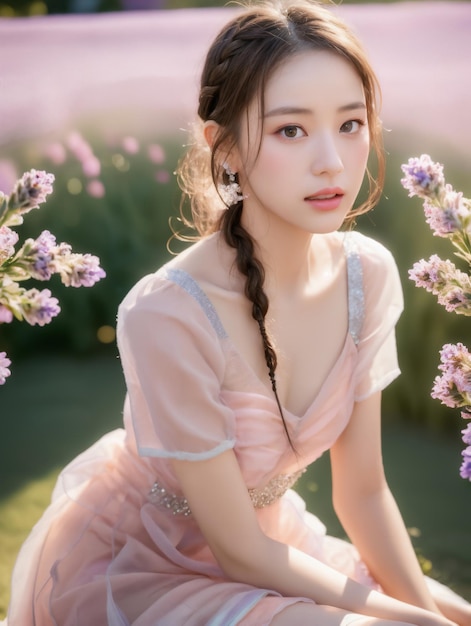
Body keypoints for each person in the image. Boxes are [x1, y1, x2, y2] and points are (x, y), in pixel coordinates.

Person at [5, 2, 471, 625]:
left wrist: (424, 613)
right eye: (291, 130)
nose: (332, 161)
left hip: (277, 547)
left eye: (352, 124)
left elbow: (362, 493)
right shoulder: (167, 313)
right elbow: (239, 550)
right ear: (223, 148)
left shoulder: (368, 274)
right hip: (154, 565)